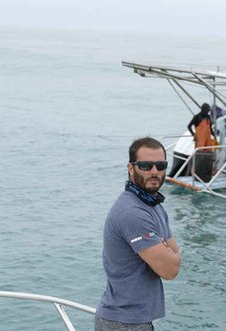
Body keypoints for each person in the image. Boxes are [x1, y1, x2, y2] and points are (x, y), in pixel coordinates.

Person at [96, 137, 180, 330]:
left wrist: (168, 254)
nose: (154, 172)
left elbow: (173, 261)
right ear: (131, 168)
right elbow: (170, 269)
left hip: (136, 320)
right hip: (123, 323)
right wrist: (167, 252)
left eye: (160, 165)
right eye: (145, 165)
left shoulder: (154, 206)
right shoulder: (132, 213)